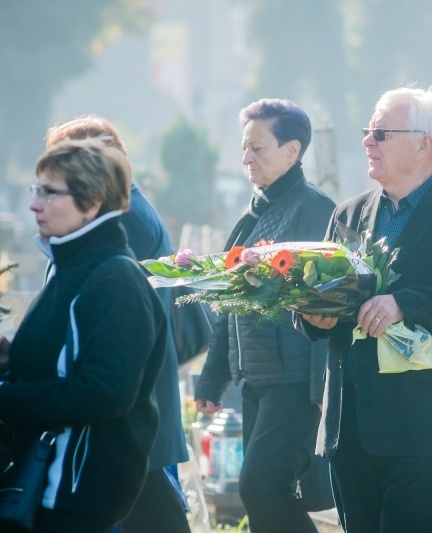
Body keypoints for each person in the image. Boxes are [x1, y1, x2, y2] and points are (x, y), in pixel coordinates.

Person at [297, 86, 432, 532]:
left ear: (423, 145)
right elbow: (324, 301)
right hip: (349, 426)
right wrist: (312, 318)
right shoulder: (347, 215)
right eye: (367, 131)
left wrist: (406, 304)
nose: (367, 142)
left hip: (421, 432)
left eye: (380, 133)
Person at [0, 138, 166, 533]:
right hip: (45, 484)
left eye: (49, 192)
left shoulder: (116, 280)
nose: (34, 204)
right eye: (35, 190)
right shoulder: (71, 264)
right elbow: (60, 357)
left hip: (74, 491)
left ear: (92, 202)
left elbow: (103, 392)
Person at [44, 115, 197, 533]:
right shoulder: (124, 210)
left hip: (126, 411)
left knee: (148, 513)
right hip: (125, 409)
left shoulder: (123, 222)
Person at [194, 98, 335, 533]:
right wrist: (212, 378)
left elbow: (327, 302)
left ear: (292, 151)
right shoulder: (250, 217)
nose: (247, 158)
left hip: (296, 383)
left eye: (258, 148)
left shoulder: (315, 210)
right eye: (244, 148)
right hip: (256, 379)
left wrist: (320, 392)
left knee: (261, 487)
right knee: (263, 495)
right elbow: (227, 306)